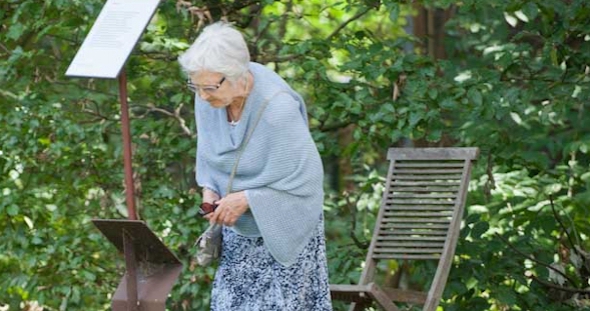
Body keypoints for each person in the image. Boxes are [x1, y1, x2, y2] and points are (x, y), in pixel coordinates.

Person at [178, 22, 333, 311]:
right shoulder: (209, 98)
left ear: (237, 76)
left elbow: (307, 182)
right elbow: (209, 152)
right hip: (239, 231)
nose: (201, 96)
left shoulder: (278, 109)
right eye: (195, 86)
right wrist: (210, 190)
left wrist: (248, 198)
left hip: (286, 230)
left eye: (208, 87)